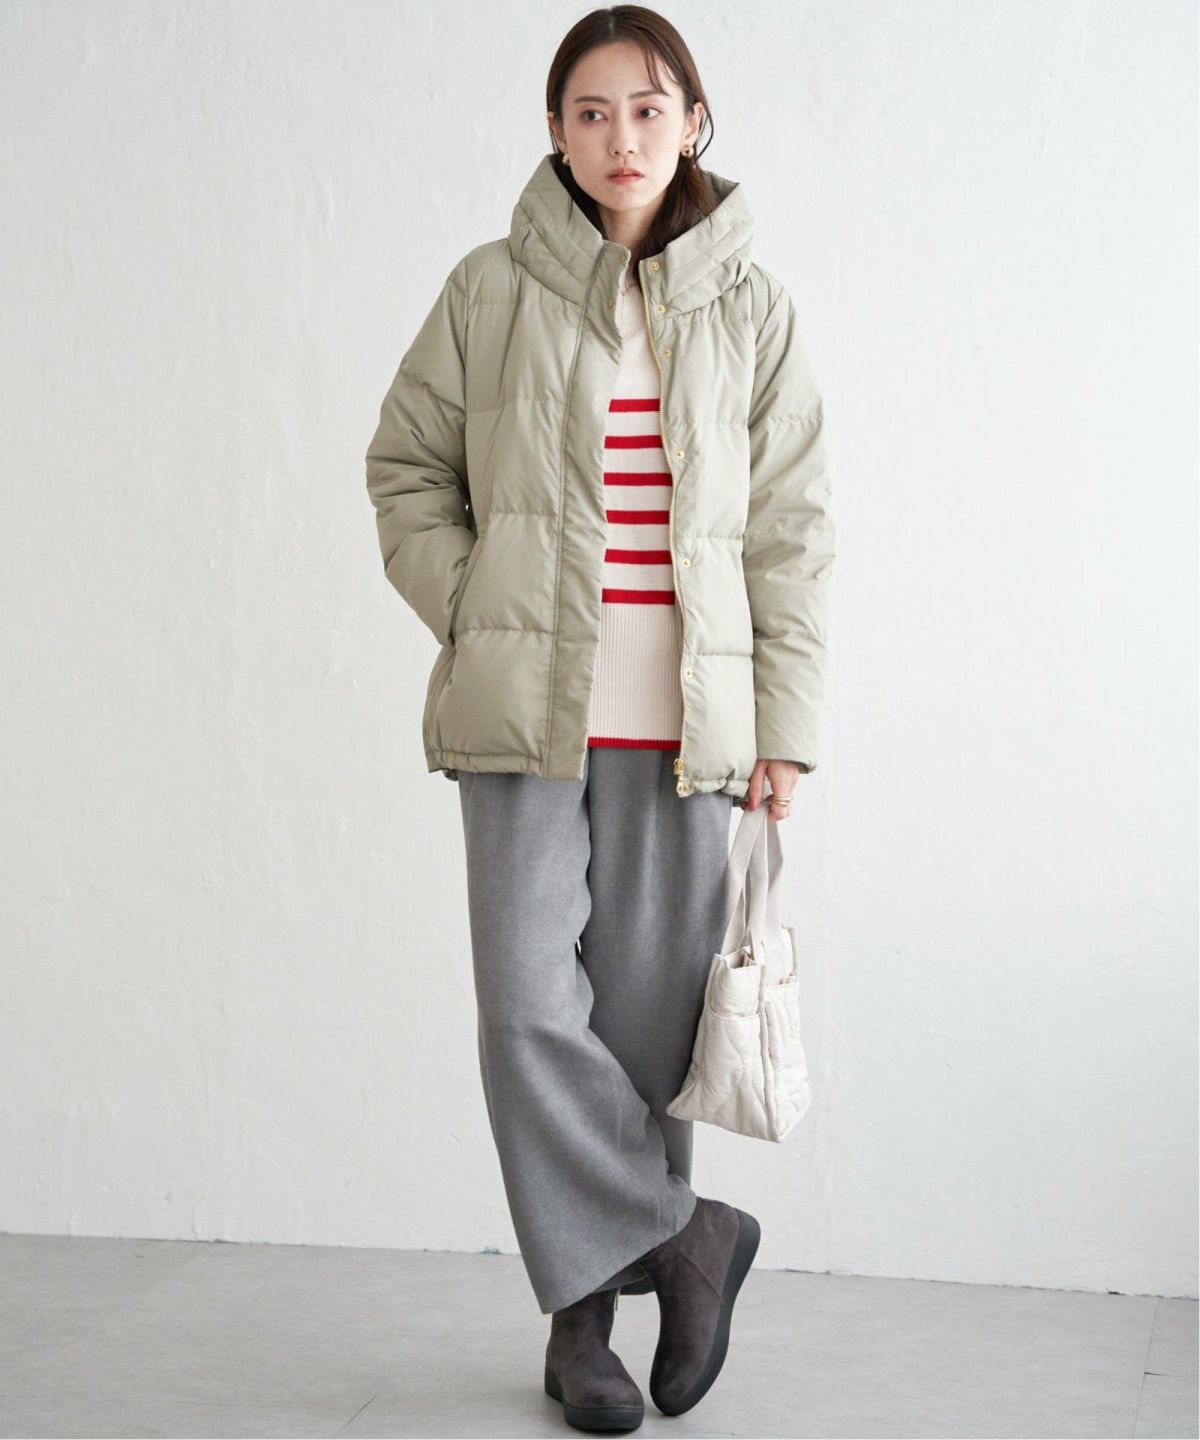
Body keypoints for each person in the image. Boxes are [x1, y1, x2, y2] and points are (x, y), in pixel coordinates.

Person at [364, 5, 834, 1428]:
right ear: (556, 133)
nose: (619, 136)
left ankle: (586, 1335)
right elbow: (405, 468)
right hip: (527, 715)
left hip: (690, 732)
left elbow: (791, 531)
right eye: (588, 111)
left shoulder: (751, 309)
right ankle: (685, 1242)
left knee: (643, 1034)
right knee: (526, 1010)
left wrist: (785, 725)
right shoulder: (488, 288)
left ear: (692, 122)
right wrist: (480, 604)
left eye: (647, 107)